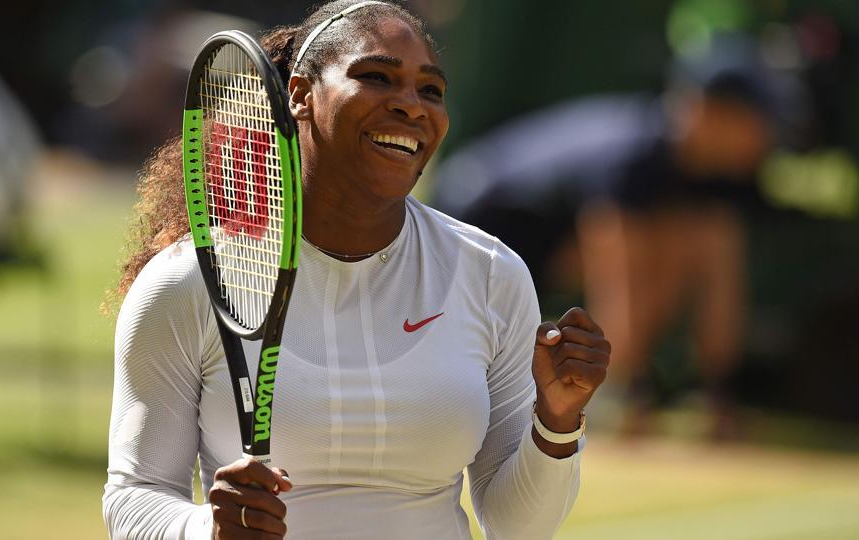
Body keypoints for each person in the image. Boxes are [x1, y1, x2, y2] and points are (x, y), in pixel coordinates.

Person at [103, 1, 610, 539]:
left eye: (431, 90)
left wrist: (556, 421)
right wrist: (204, 529)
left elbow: (518, 528)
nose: (412, 107)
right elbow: (135, 498)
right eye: (376, 78)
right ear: (299, 94)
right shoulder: (187, 281)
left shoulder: (489, 274)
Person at [432, 36, 776, 438]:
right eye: (754, 120)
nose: (764, 136)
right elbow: (617, 280)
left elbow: (719, 275)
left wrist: (719, 390)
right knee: (660, 252)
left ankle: (678, 392)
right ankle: (615, 393)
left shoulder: (713, 177)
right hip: (476, 219)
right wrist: (619, 388)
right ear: (709, 112)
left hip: (543, 241)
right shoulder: (636, 158)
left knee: (699, 241)